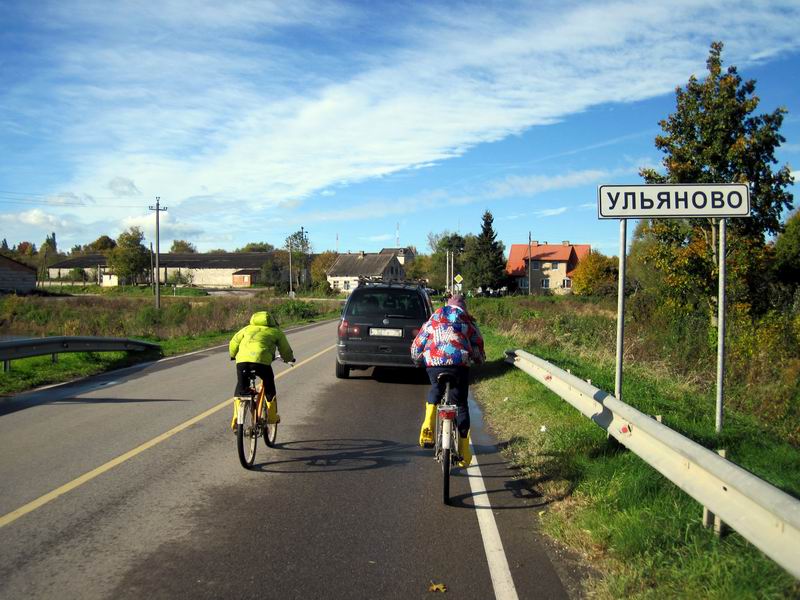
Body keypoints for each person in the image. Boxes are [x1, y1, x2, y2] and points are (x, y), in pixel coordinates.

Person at [410, 294, 485, 467]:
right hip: (459, 363)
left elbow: (418, 343)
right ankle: (465, 449)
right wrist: (479, 359)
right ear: (463, 308)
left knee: (436, 387)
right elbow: (478, 344)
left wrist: (417, 359)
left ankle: (428, 421)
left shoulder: (433, 318)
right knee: (460, 403)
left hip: (435, 362)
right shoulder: (467, 321)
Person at [229, 310, 295, 431]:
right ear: (272, 321)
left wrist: (233, 355)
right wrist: (289, 359)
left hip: (242, 362)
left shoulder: (246, 329)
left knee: (241, 387)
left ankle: (236, 418)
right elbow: (285, 349)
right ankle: (271, 416)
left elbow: (234, 342)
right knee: (269, 383)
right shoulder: (275, 331)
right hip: (262, 363)